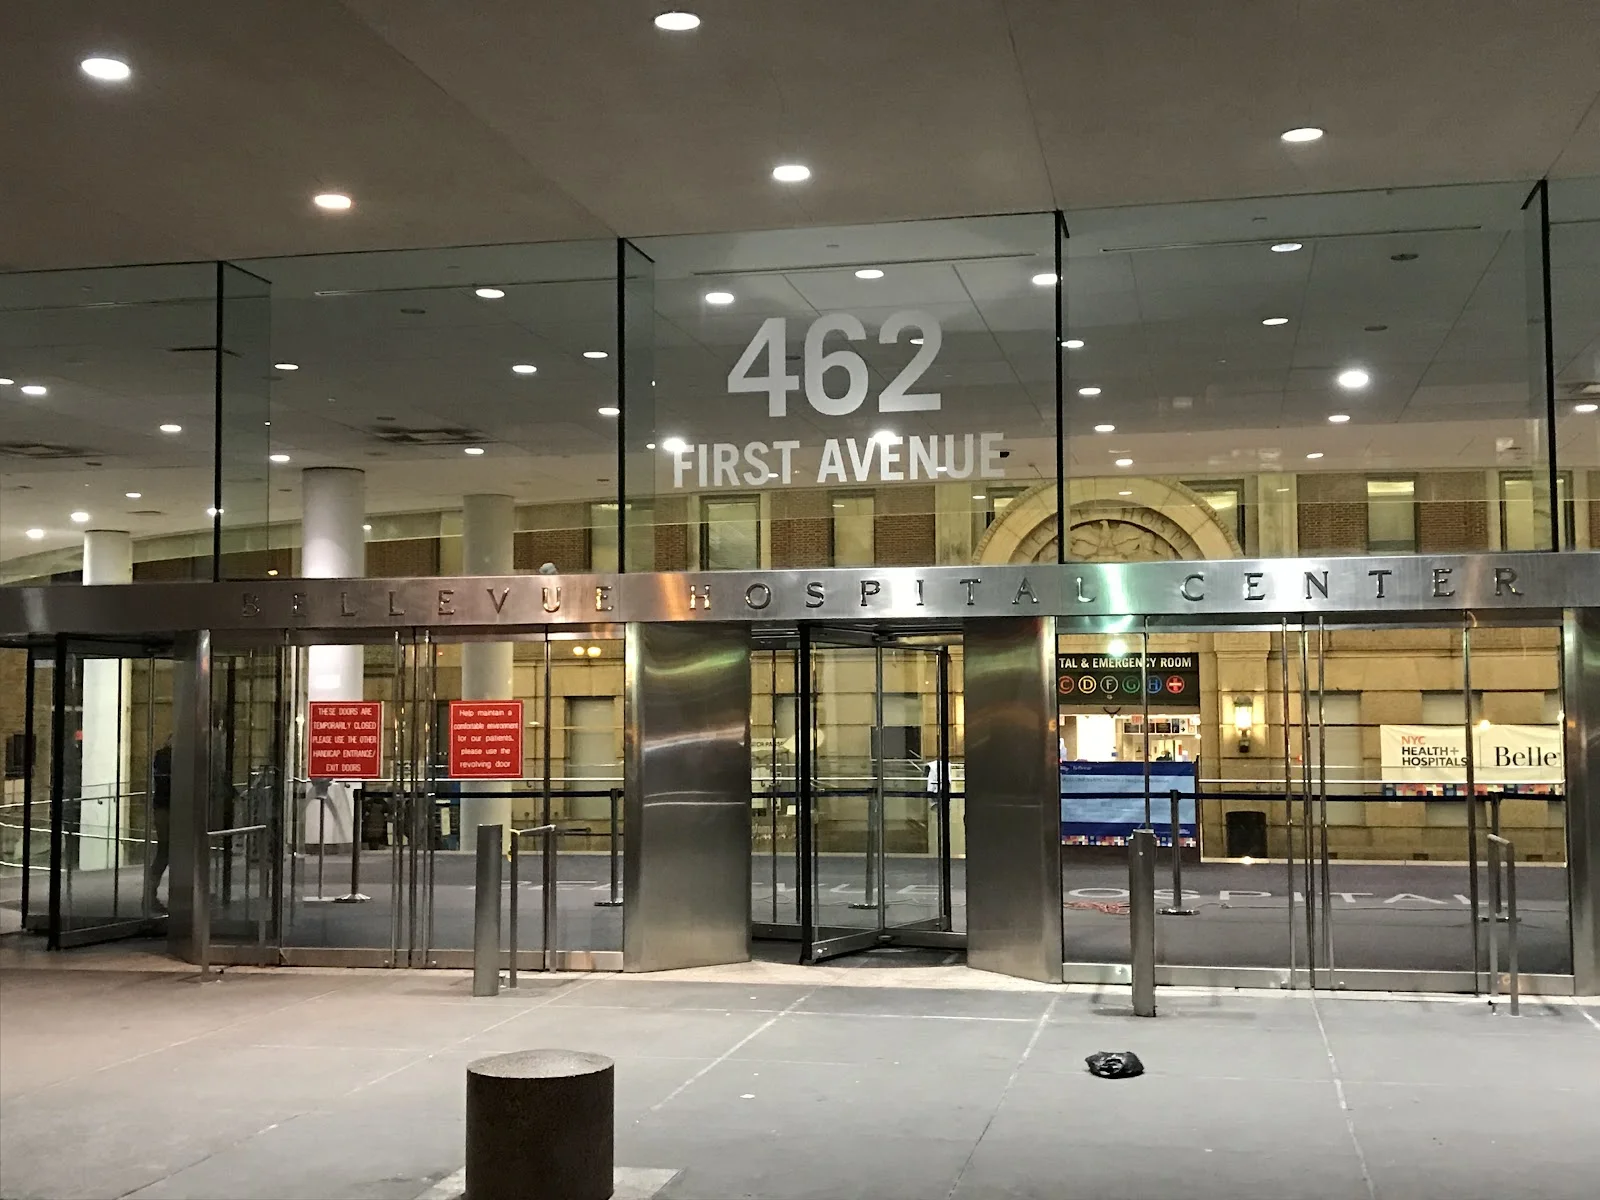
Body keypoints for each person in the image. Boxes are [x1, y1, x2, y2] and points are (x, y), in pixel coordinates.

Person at [145, 736, 172, 914]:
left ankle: (150, 894)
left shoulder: (161, 757)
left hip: (163, 807)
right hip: (167, 807)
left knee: (164, 852)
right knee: (165, 851)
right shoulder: (166, 758)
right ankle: (150, 894)